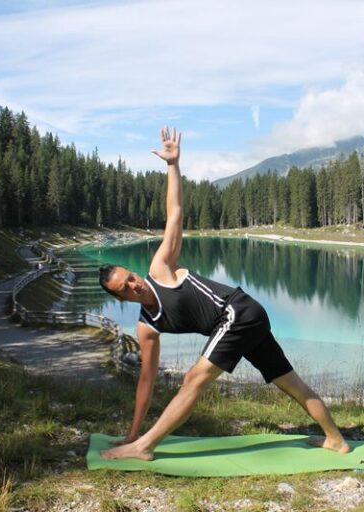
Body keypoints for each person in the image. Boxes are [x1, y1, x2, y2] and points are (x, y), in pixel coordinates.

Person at [98, 127, 350, 460]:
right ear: (121, 299)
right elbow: (145, 381)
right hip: (246, 321)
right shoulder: (147, 327)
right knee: (287, 380)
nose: (134, 284)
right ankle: (336, 439)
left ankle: (144, 448)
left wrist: (173, 165)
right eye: (125, 288)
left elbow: (174, 215)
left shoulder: (160, 268)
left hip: (238, 312)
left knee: (193, 379)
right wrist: (130, 431)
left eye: (130, 277)